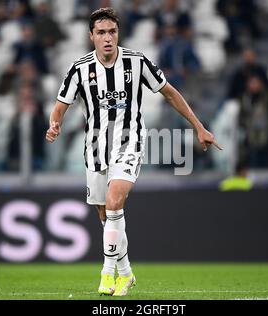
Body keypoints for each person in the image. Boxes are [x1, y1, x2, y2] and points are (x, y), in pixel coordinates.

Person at [45, 7, 222, 297]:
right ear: (91, 36)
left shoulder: (137, 63)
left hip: (130, 142)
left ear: (118, 34)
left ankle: (107, 274)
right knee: (106, 216)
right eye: (101, 32)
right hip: (95, 149)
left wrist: (198, 127)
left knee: (115, 202)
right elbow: (61, 105)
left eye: (112, 32)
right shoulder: (79, 68)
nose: (107, 38)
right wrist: (54, 125)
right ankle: (126, 273)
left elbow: (170, 93)